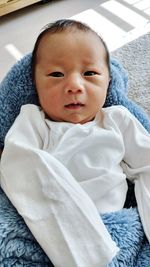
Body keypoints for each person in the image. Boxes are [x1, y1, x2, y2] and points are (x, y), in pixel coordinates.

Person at [0, 19, 150, 267]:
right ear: (35, 84)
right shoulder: (34, 121)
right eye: (56, 75)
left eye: (89, 73)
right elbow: (19, 164)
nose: (74, 86)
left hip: (115, 223)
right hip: (49, 233)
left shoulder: (117, 119)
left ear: (108, 81)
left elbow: (147, 162)